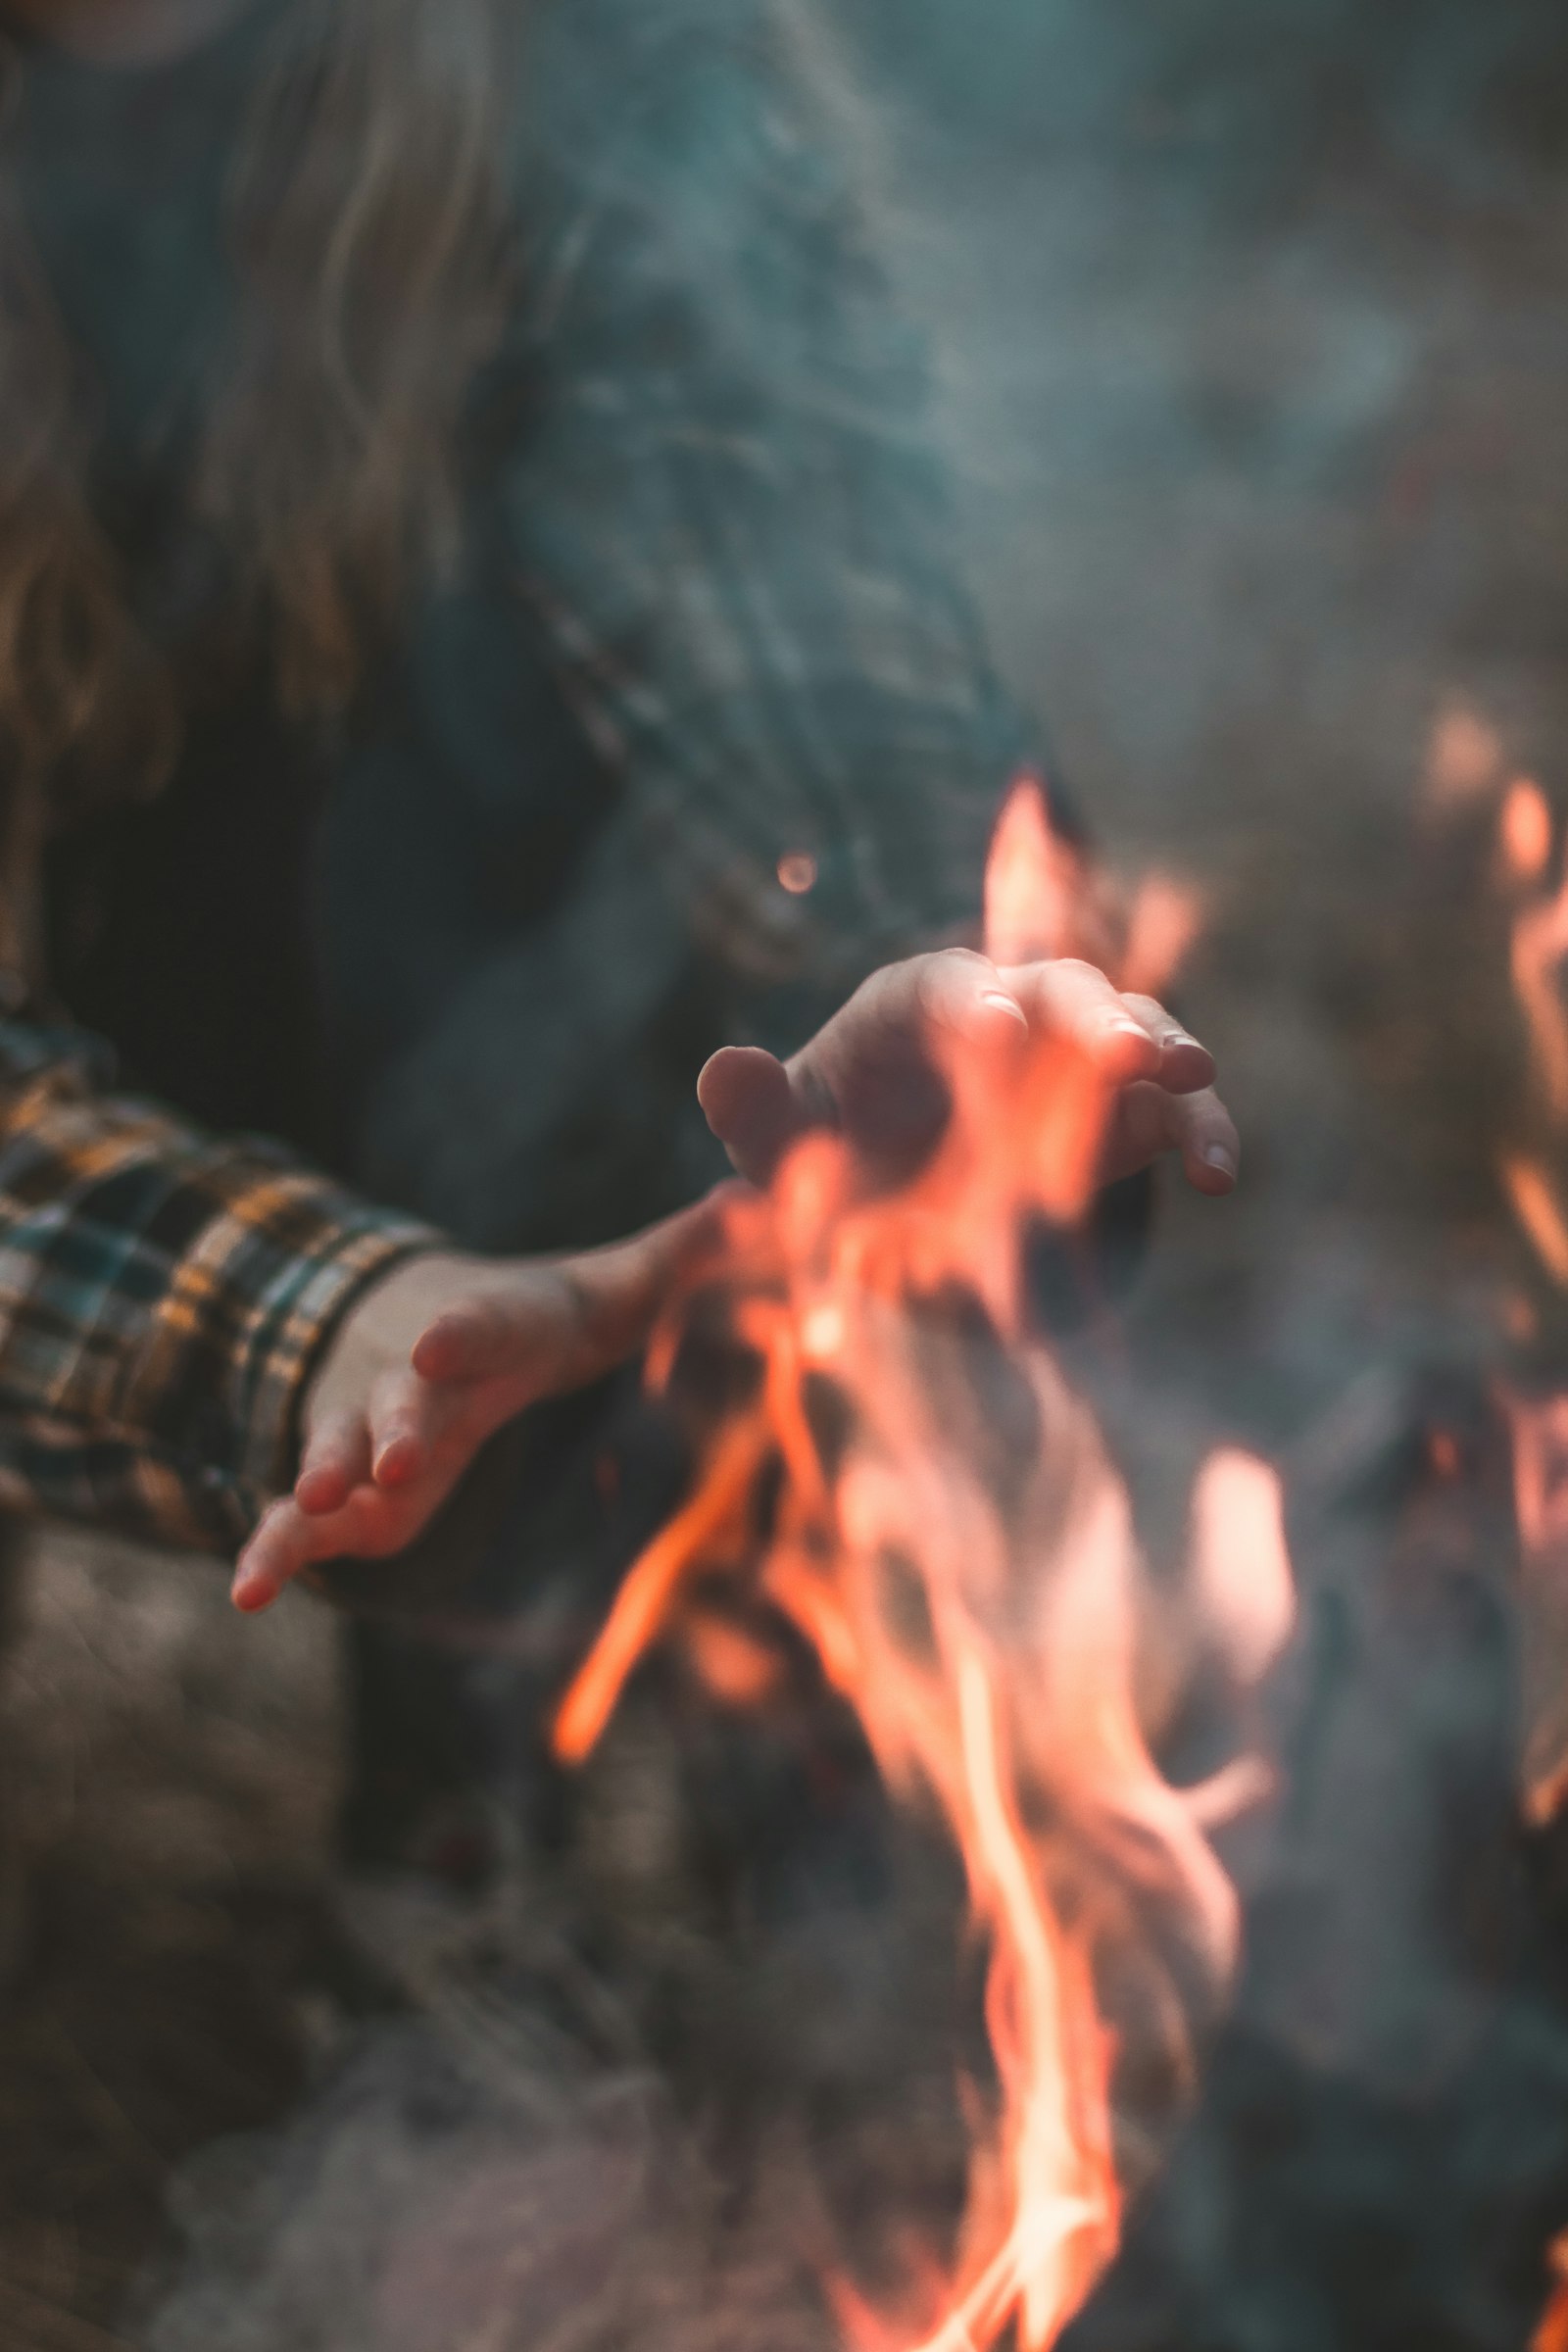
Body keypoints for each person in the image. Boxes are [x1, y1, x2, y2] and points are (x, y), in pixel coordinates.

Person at [0, 0, 1237, 1871]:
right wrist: (316, 1314)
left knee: (472, 819)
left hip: (521, 1066)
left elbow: (815, 661)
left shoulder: (581, 57)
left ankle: (721, 1678)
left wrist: (939, 980)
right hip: (117, 1080)